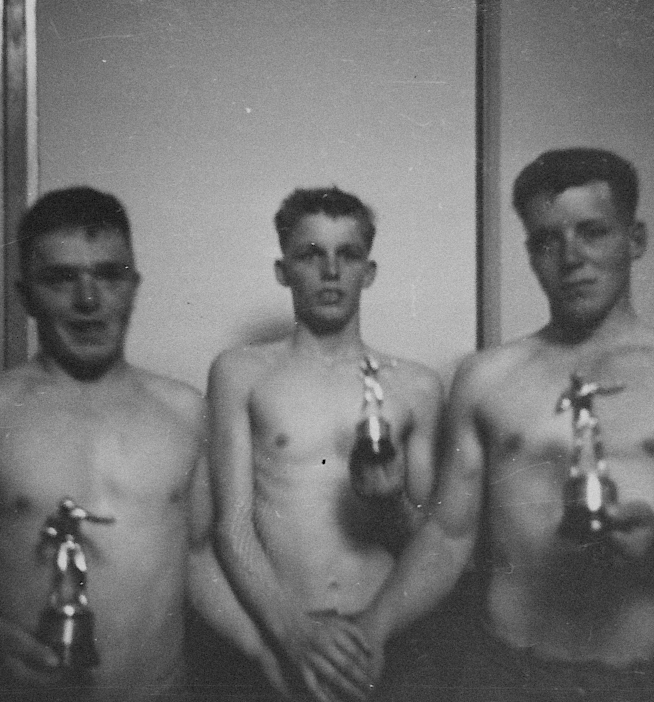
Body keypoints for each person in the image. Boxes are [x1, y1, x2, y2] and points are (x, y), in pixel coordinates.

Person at [0, 187, 275, 701]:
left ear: (133, 286)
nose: (88, 300)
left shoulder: (184, 412)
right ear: (25, 296)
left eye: (109, 274)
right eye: (61, 278)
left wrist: (271, 651)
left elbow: (196, 561)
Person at [207, 187, 444, 701]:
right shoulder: (241, 373)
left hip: (383, 634)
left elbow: (434, 544)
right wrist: (291, 632)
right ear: (283, 270)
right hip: (286, 627)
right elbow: (231, 527)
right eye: (311, 254)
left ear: (369, 272)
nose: (331, 271)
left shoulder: (417, 387)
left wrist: (390, 504)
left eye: (348, 254)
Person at [442, 148, 654, 700]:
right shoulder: (485, 377)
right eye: (547, 241)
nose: (572, 257)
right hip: (508, 674)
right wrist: (371, 629)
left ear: (635, 240)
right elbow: (446, 534)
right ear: (531, 255)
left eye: (593, 232)